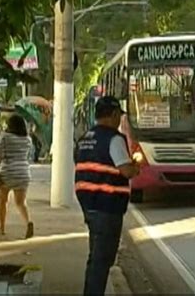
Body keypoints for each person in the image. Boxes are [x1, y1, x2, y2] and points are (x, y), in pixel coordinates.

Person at [74, 96, 140, 296]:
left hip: (89, 205)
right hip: (107, 206)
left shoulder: (86, 138)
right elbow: (126, 171)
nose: (119, 120)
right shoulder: (114, 138)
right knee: (102, 260)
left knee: (97, 256)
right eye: (118, 116)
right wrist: (136, 165)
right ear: (112, 115)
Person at [0, 114, 34, 239]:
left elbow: (0, 155)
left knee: (3, 201)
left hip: (7, 172)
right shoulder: (28, 139)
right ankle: (29, 222)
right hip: (23, 172)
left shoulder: (5, 137)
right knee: (21, 202)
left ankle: (2, 228)